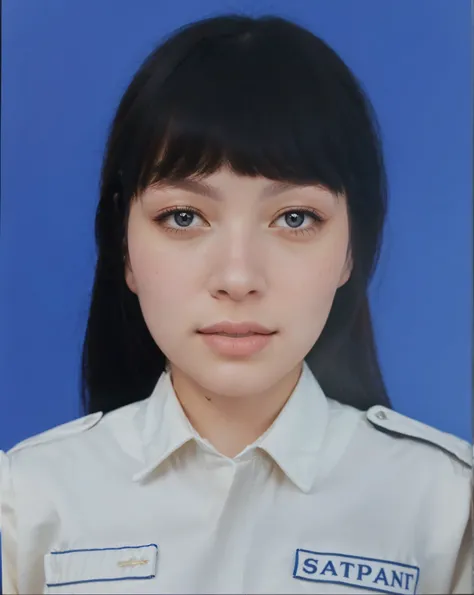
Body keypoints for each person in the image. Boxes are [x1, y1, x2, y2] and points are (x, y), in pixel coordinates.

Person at [0, 13, 471, 595]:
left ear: (352, 250)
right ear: (124, 248)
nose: (239, 277)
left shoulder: (447, 509)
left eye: (295, 218)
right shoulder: (28, 502)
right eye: (184, 216)